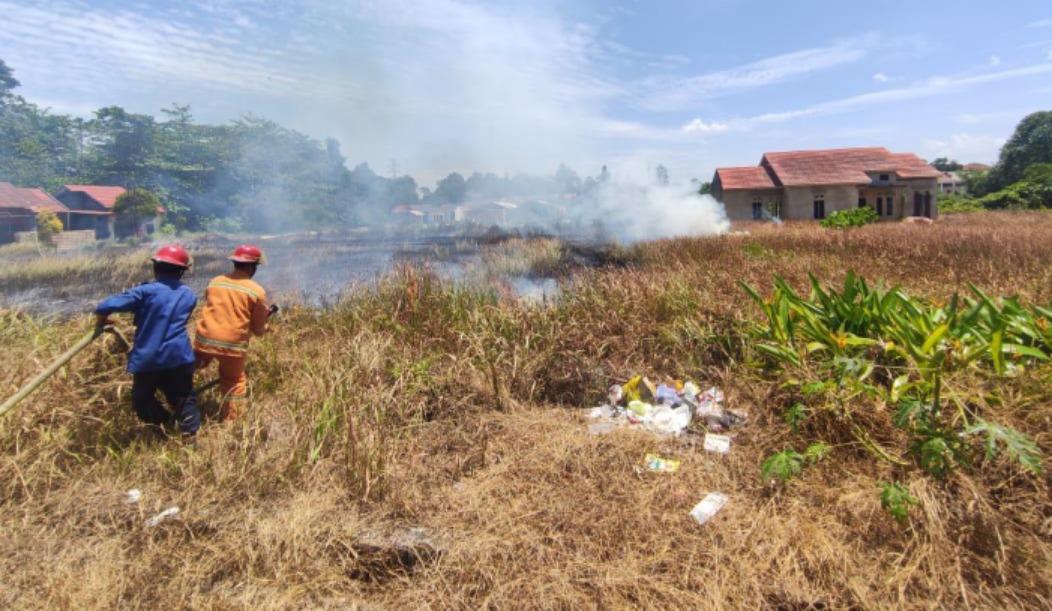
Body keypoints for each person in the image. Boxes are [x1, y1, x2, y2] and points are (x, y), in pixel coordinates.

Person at [95, 244, 200, 437]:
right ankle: (190, 435)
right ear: (181, 272)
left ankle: (164, 425)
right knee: (184, 399)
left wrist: (102, 321)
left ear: (156, 268)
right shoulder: (189, 294)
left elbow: (105, 306)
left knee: (141, 399)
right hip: (179, 356)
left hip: (149, 358)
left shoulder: (145, 292)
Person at [194, 244, 273, 421]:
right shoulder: (257, 291)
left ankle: (179, 401)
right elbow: (258, 329)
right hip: (232, 346)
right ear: (252, 267)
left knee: (190, 369)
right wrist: (266, 327)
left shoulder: (215, 281)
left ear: (235, 263)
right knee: (233, 381)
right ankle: (232, 423)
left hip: (204, 340)